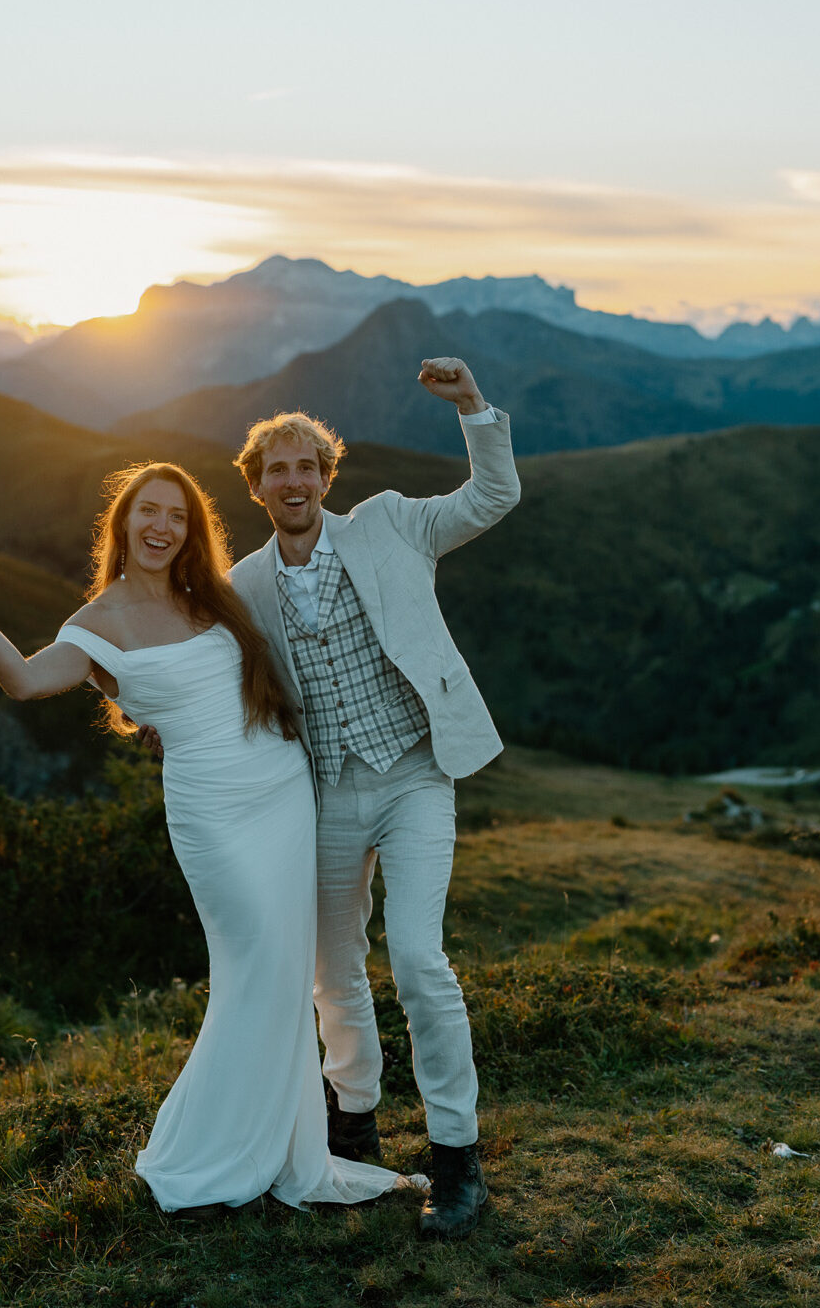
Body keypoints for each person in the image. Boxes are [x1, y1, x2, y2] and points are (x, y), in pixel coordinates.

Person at [0, 461, 420, 1217]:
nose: (161, 526)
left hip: (281, 793)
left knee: (284, 977)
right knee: (254, 969)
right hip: (211, 812)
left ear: (190, 530)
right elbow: (21, 679)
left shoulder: (209, 599)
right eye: (147, 511)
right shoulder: (96, 624)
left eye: (176, 516)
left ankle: (282, 1146)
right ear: (122, 523)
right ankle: (212, 1150)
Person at [231, 356, 520, 1239]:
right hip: (319, 794)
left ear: (327, 477)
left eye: (307, 465)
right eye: (276, 467)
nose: (294, 479)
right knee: (332, 970)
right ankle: (350, 1130)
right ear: (256, 486)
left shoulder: (390, 525)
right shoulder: (243, 588)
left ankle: (456, 1162)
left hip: (413, 774)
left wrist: (472, 406)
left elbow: (490, 498)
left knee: (421, 962)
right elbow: (197, 665)